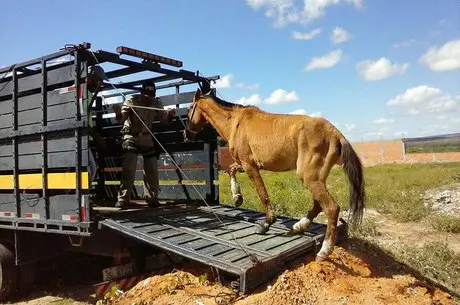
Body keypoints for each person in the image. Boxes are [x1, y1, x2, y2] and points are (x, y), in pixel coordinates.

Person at [112, 81, 175, 209]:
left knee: (152, 168)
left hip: (146, 137)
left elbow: (163, 120)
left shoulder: (157, 103)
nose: (148, 98)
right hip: (131, 136)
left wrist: (169, 115)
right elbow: (121, 119)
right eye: (146, 95)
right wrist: (118, 113)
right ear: (141, 93)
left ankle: (152, 198)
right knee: (129, 167)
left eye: (151, 95)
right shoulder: (131, 101)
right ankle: (123, 199)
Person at [86, 65, 108, 189]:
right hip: (78, 140)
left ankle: (85, 201)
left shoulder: (88, 94)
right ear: (90, 78)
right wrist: (96, 136)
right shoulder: (83, 93)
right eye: (99, 79)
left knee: (90, 170)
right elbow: (79, 120)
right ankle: (83, 201)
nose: (100, 83)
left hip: (83, 139)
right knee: (89, 170)